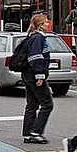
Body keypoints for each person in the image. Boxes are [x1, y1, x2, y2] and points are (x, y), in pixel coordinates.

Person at [21, 13, 53, 144]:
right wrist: (40, 75)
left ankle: (28, 133)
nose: (48, 24)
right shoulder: (38, 38)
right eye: (45, 22)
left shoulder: (32, 36)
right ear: (40, 25)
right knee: (47, 104)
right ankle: (36, 132)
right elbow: (36, 57)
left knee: (32, 104)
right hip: (34, 75)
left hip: (28, 75)